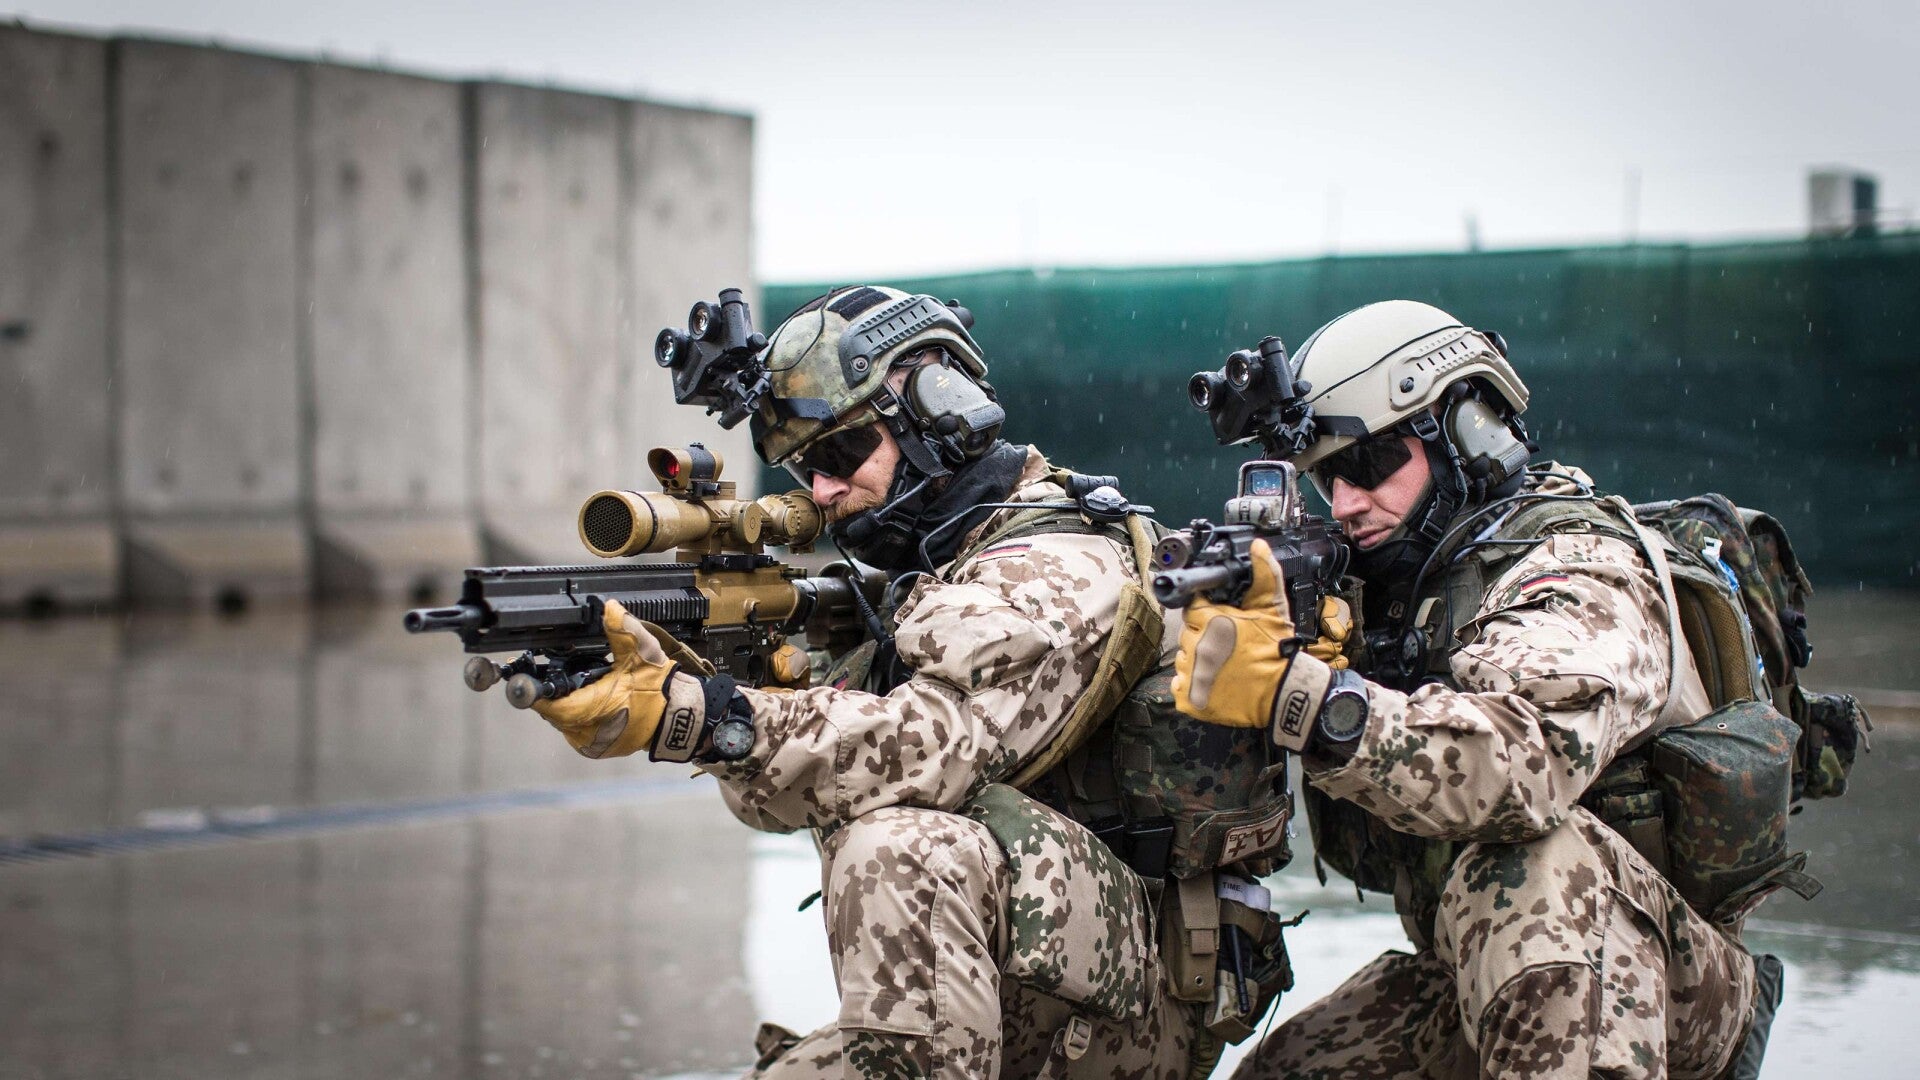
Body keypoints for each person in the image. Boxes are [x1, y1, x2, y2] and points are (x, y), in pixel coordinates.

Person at [527, 285, 1283, 1079]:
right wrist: (742, 689)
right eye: (804, 468)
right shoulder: (930, 570)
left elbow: (933, 748)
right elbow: (780, 802)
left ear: (939, 411)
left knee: (899, 848)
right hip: (1029, 973)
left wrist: (705, 717)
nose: (821, 492)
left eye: (840, 456)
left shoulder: (1057, 558)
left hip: (1136, 1001)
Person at [1171, 300, 1780, 1079]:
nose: (1346, 502)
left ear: (1466, 432)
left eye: (1371, 463)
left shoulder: (1580, 567)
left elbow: (1522, 764)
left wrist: (1310, 701)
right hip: (1487, 963)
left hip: (1662, 979)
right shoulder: (1405, 593)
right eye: (1328, 476)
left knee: (1532, 871)